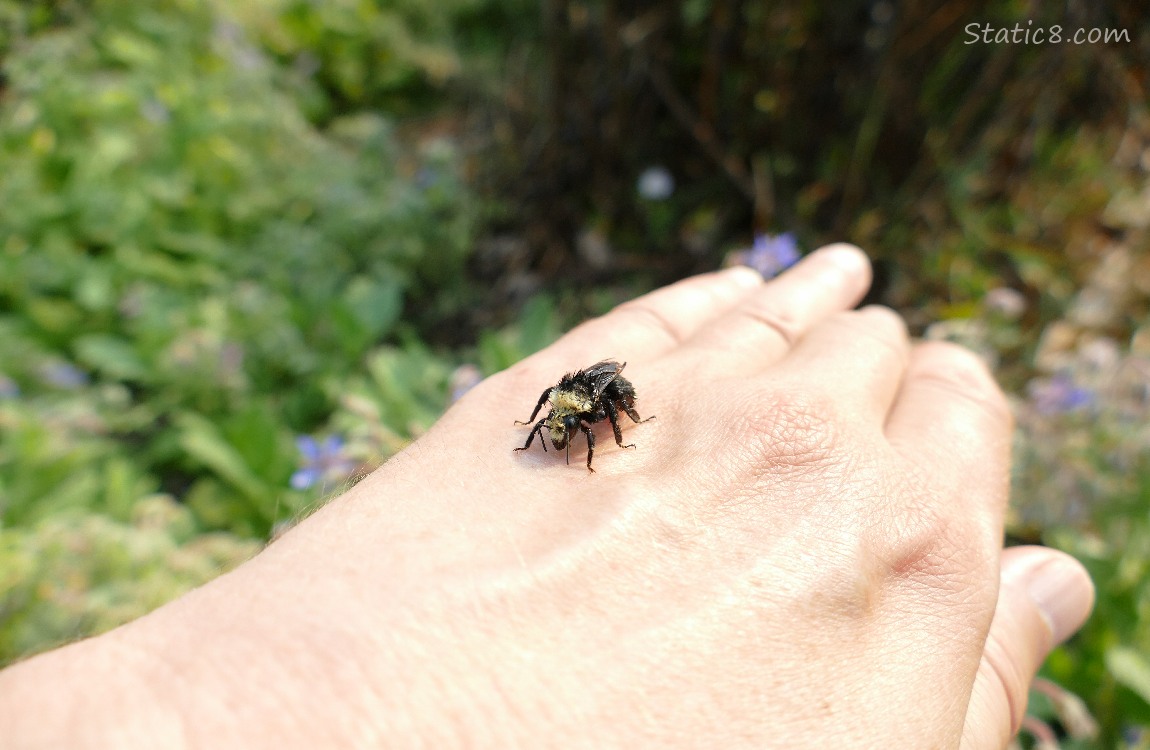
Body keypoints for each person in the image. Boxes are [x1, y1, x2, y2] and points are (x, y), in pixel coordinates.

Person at [0, 243, 1093, 748]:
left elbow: (596, 409)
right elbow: (563, 411)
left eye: (583, 426)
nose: (576, 430)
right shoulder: (568, 410)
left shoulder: (604, 404)